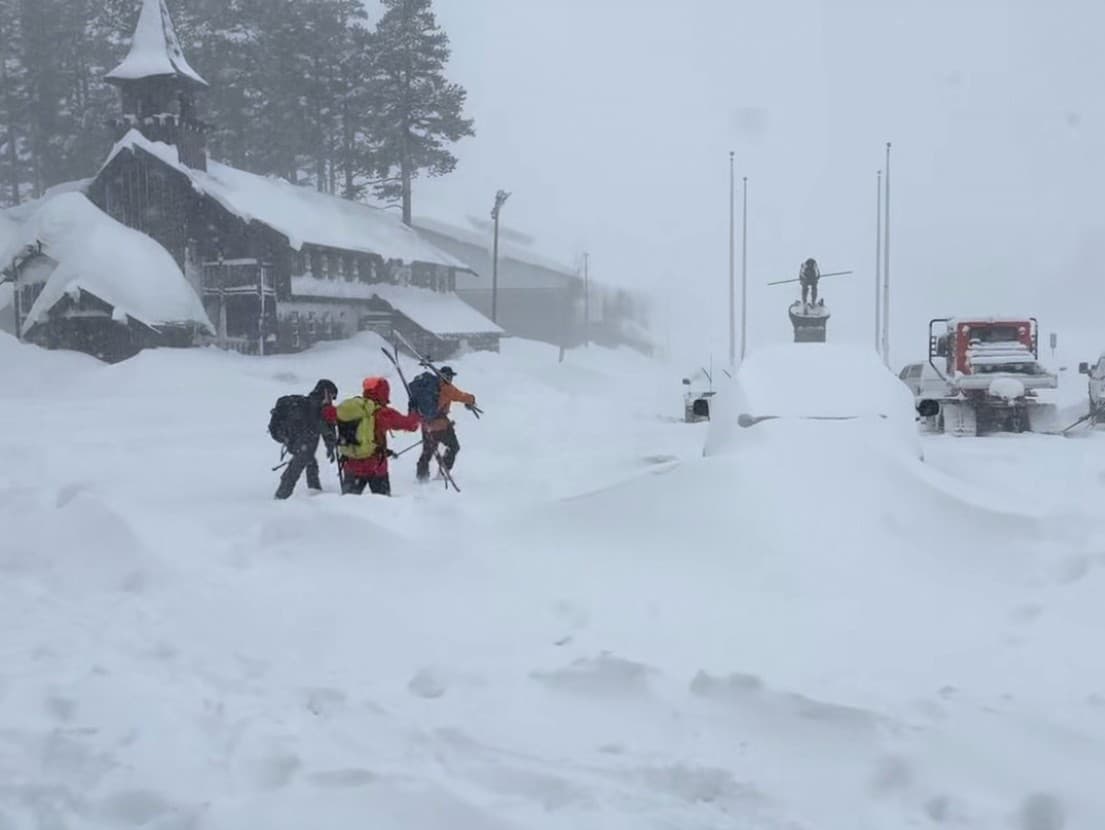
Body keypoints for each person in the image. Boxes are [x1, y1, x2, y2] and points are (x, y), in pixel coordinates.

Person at [329, 376, 421, 496]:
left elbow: (329, 414)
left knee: (348, 504)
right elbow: (411, 425)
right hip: (376, 467)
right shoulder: (382, 413)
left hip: (351, 465)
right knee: (383, 506)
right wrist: (414, 410)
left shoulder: (353, 410)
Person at [272, 379, 339, 500]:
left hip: (300, 441)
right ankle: (281, 496)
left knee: (310, 462)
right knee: (297, 467)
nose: (332, 400)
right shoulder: (315, 404)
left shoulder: (311, 403)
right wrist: (330, 440)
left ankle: (313, 492)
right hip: (303, 442)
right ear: (326, 392)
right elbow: (320, 425)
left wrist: (330, 445)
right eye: (332, 396)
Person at [416, 366, 477, 483]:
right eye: (450, 376)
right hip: (441, 426)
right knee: (453, 447)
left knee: (427, 452)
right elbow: (462, 396)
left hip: (426, 425)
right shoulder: (447, 388)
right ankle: (443, 473)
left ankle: (421, 478)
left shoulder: (429, 386)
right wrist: (472, 399)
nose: (451, 379)